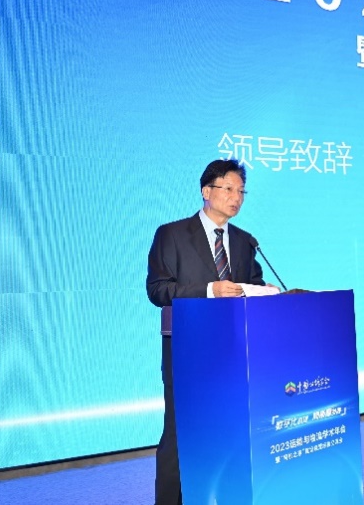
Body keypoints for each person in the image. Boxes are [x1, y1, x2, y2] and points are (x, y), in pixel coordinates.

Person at [146, 158, 265, 505]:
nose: (236, 197)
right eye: (228, 188)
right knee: (180, 435)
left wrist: (264, 292)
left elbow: (254, 285)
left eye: (241, 191)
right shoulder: (171, 234)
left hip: (234, 350)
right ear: (206, 191)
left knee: (229, 432)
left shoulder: (244, 241)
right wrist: (210, 290)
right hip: (188, 349)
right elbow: (158, 290)